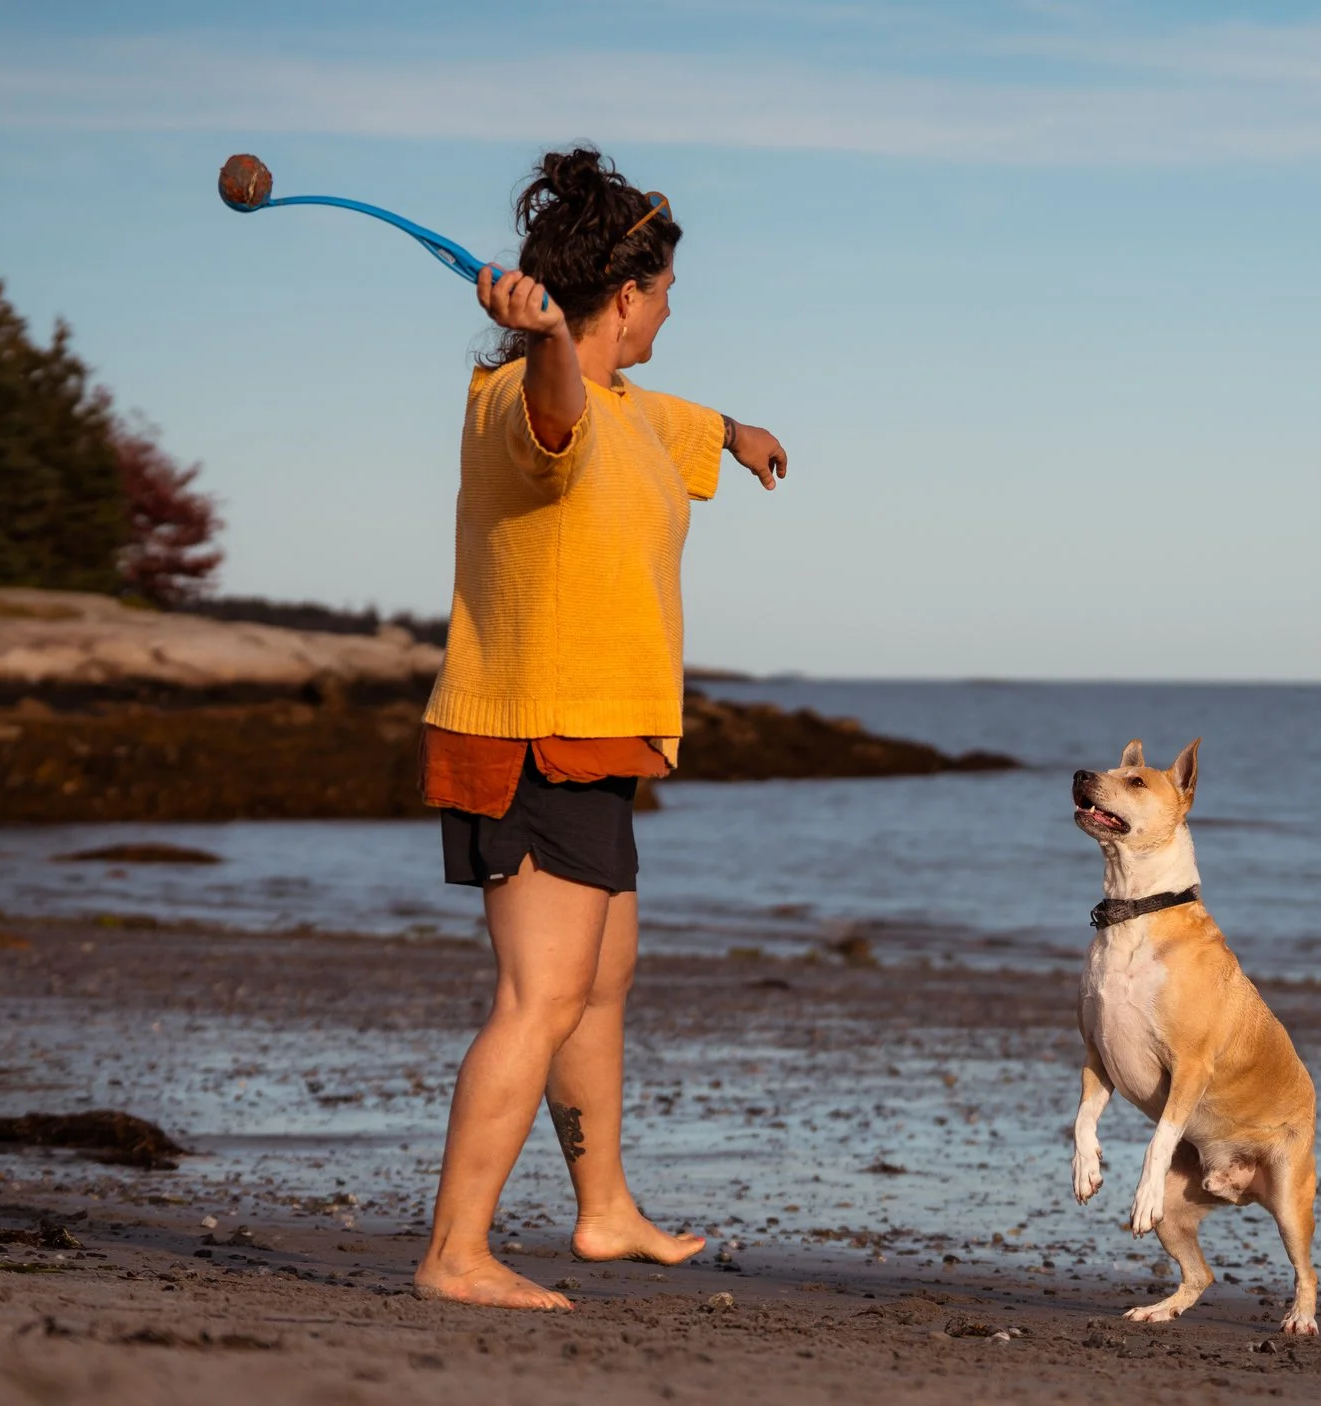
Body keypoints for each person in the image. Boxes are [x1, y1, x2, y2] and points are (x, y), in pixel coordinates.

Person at [410, 147, 787, 1310]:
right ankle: (455, 1252)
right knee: (541, 993)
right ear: (627, 297)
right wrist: (541, 341)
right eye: (666, 291)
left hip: (598, 742)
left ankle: (604, 1206)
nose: (673, 307)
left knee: (602, 974)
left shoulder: (633, 407)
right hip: (531, 736)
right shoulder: (526, 399)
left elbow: (647, 415)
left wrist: (733, 428)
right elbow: (558, 413)